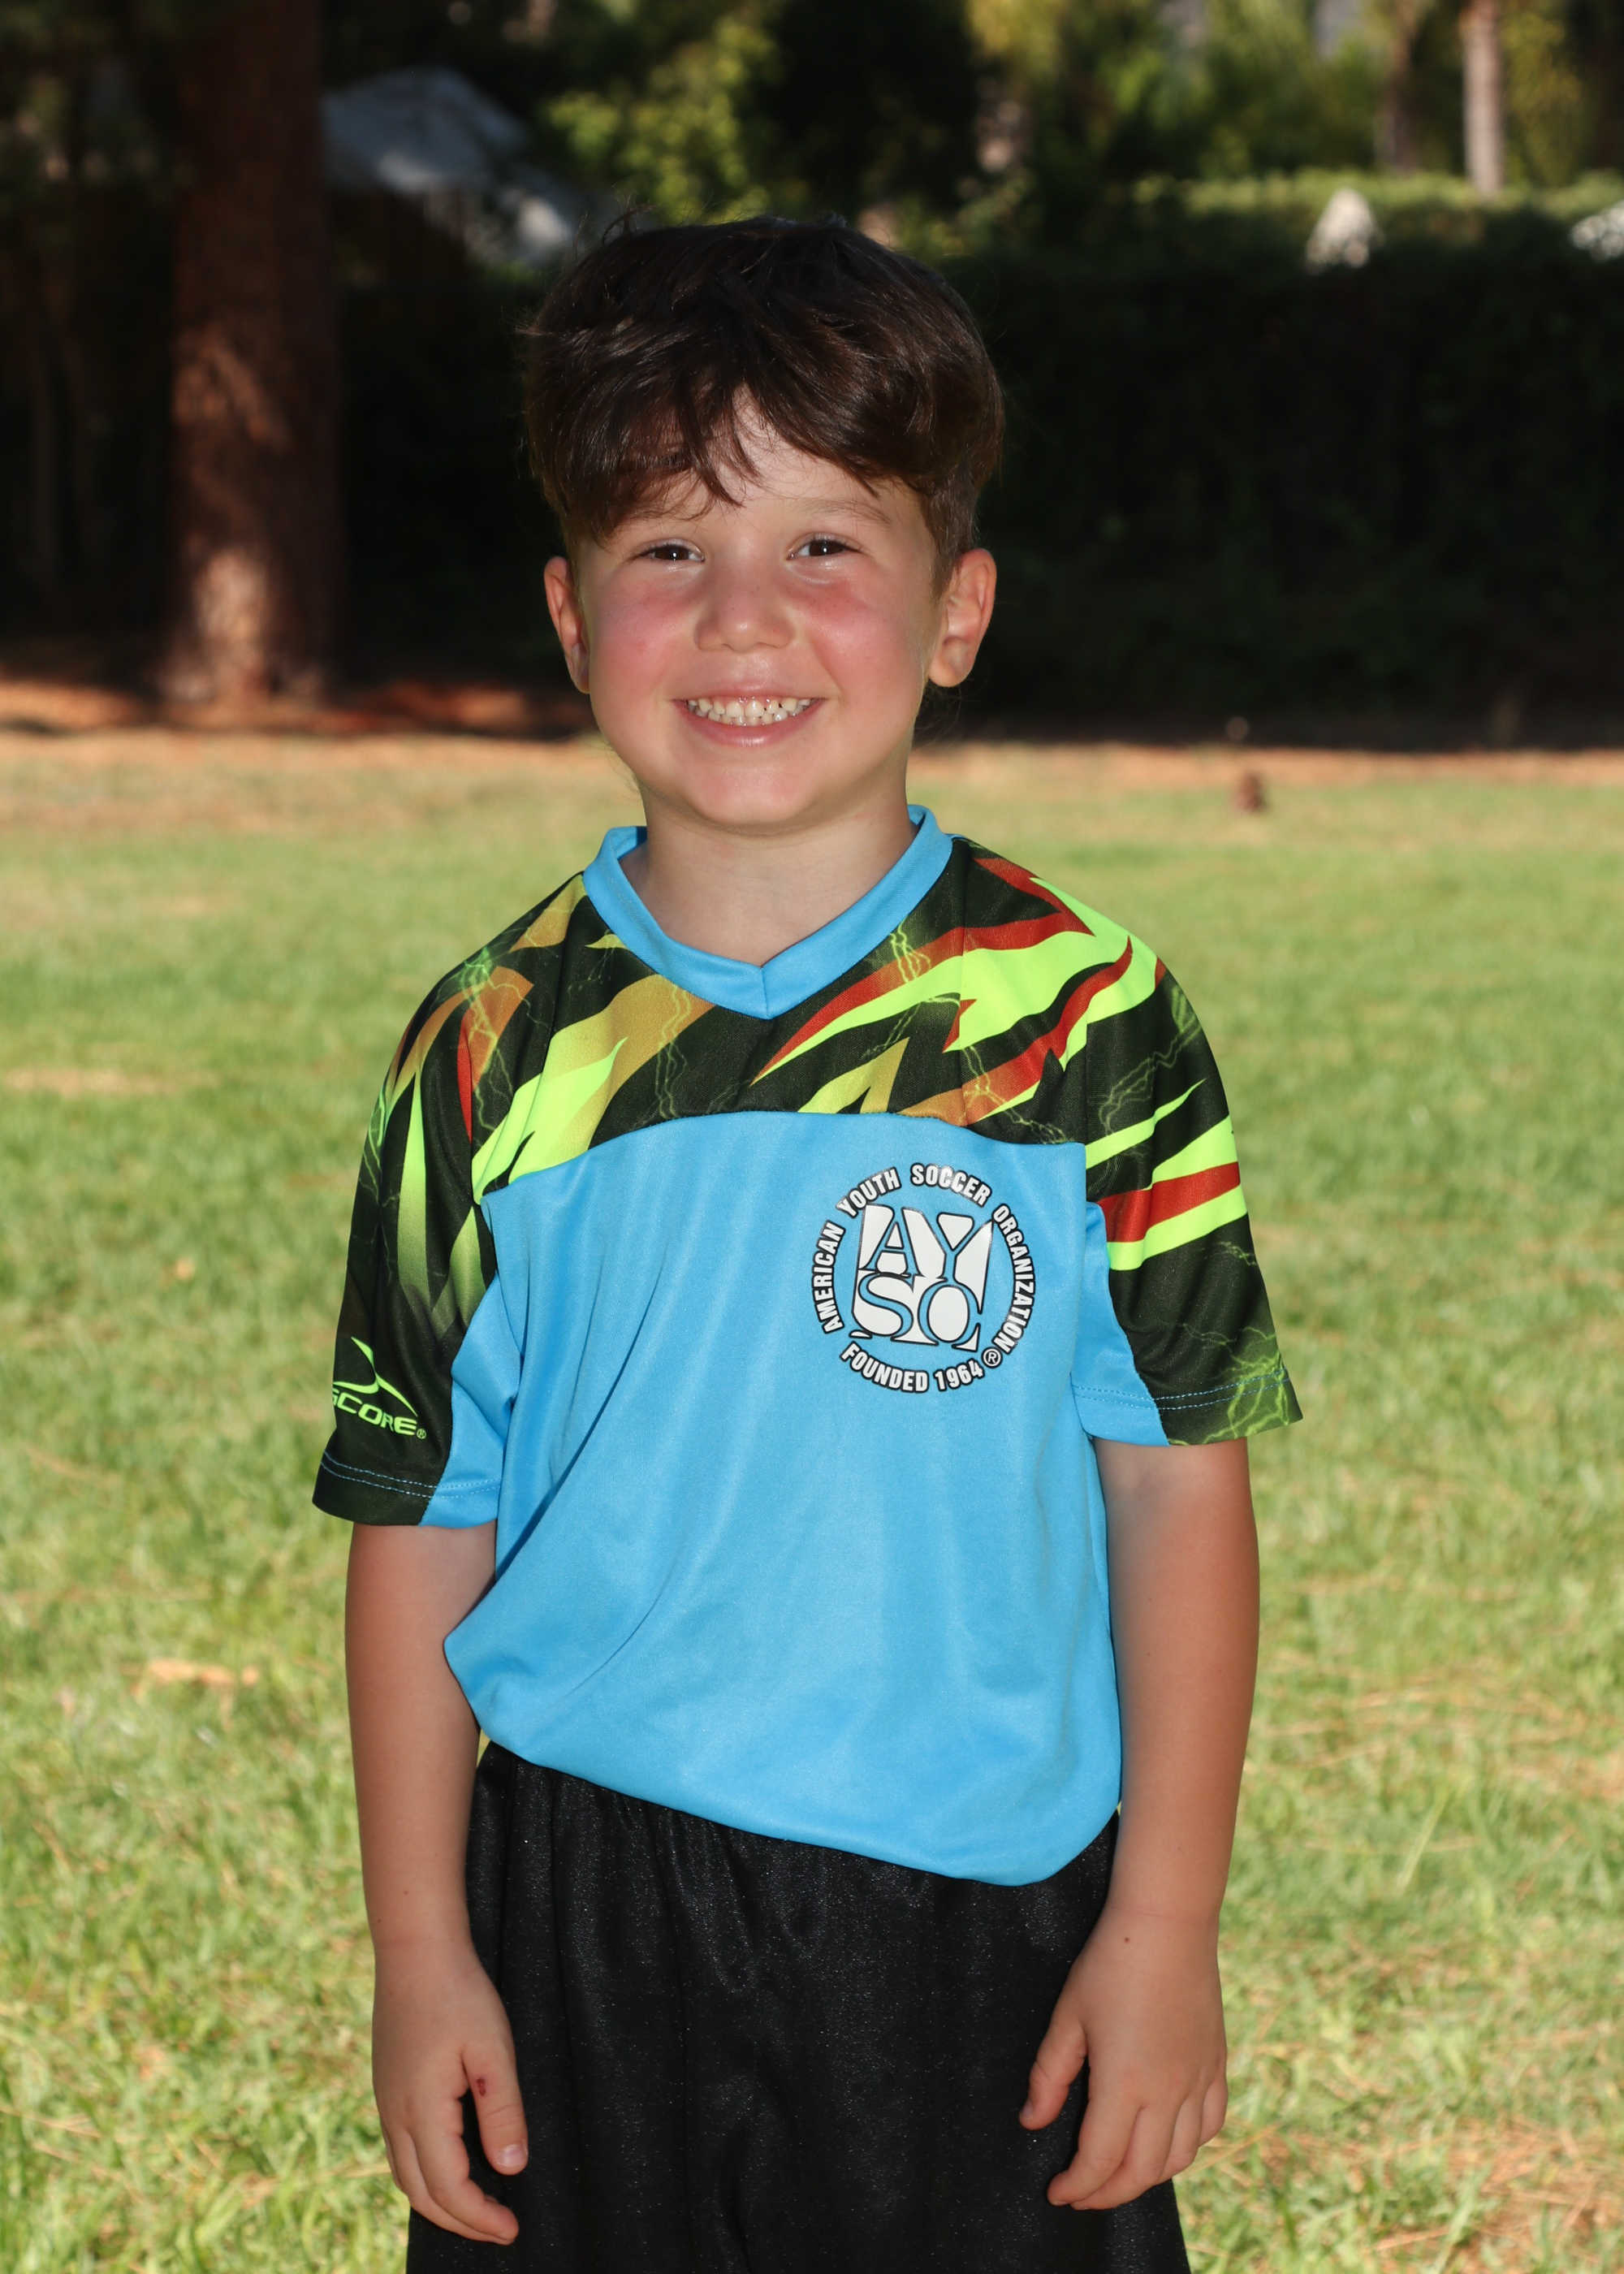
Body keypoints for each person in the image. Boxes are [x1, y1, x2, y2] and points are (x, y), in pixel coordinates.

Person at [315, 216, 1300, 2274]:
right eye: (669, 546)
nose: (741, 616)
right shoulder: (490, 1049)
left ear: (958, 610)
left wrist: (1164, 1922)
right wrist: (422, 1947)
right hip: (578, 1906)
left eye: (824, 544)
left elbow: (1175, 1484)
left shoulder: (1086, 1023)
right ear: (571, 614)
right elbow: (417, 1515)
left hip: (988, 1916)